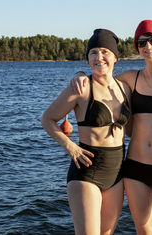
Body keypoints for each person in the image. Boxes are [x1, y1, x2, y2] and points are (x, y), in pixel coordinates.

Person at [71, 20, 152, 235]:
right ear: (138, 47)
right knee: (145, 230)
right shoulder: (130, 78)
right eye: (142, 42)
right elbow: (101, 76)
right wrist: (78, 75)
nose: (148, 46)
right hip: (135, 167)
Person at [41, 28, 131, 235]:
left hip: (117, 172)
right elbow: (47, 119)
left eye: (104, 51)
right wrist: (70, 147)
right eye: (93, 53)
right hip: (86, 172)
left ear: (115, 57)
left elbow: (136, 125)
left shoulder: (124, 88)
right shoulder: (81, 88)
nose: (99, 57)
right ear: (88, 58)